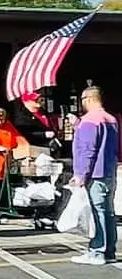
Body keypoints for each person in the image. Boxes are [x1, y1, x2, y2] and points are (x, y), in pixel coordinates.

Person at [69, 86, 119, 266]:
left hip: (95, 174)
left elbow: (88, 149)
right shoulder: (111, 119)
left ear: (88, 99)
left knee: (98, 213)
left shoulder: (90, 120)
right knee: (108, 212)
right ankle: (109, 251)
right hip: (108, 170)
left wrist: (81, 174)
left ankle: (97, 251)